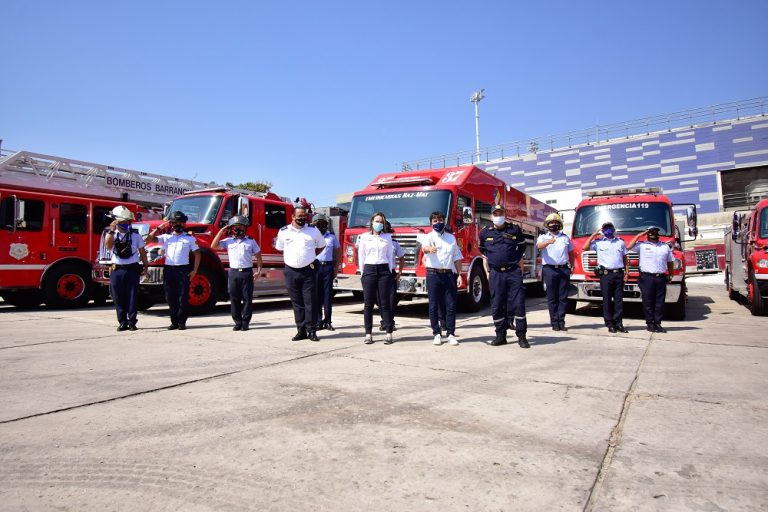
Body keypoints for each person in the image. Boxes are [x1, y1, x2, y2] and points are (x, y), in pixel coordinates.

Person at [479, 204, 529, 348]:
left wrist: (519, 269)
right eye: (496, 214)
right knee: (497, 305)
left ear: (504, 215)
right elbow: (483, 253)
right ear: (491, 217)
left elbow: (522, 248)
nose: (498, 216)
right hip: (496, 274)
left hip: (513, 272)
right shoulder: (484, 233)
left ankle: (522, 336)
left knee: (518, 304)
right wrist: (488, 272)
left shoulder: (514, 229)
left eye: (501, 213)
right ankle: (500, 336)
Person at [275, 206, 326, 341]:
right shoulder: (283, 232)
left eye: (304, 216)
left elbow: (321, 245)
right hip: (291, 271)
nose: (303, 218)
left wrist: (310, 256)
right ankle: (301, 330)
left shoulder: (313, 231)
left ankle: (312, 330)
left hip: (308, 270)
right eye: (300, 216)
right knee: (297, 303)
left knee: (310, 302)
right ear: (293, 216)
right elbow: (280, 248)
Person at [146, 210, 200, 330]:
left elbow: (197, 254)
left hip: (183, 270)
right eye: (175, 222)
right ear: (171, 224)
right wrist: (160, 227)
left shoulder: (189, 239)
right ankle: (173, 321)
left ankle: (181, 322)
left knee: (183, 297)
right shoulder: (166, 237)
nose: (178, 225)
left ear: (184, 224)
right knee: (170, 297)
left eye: (181, 223)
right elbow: (149, 239)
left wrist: (194, 270)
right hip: (169, 270)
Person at [212, 215, 263, 331]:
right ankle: (237, 322)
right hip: (233, 273)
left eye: (241, 227)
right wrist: (221, 231)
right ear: (231, 229)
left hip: (246, 272)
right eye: (235, 227)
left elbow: (259, 257)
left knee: (247, 299)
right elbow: (213, 246)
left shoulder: (251, 241)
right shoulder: (228, 241)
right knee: (234, 298)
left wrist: (258, 271)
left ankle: (245, 322)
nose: (238, 229)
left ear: (245, 228)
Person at [419, 212, 463, 346]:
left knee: (450, 305)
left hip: (449, 274)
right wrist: (429, 249)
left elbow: (456, 257)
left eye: (440, 220)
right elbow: (424, 248)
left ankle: (450, 333)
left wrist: (460, 274)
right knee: (433, 305)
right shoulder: (428, 237)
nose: (437, 222)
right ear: (431, 223)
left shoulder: (451, 238)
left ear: (444, 221)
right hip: (433, 274)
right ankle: (436, 333)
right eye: (434, 220)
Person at [105, 206, 149, 331]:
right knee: (117, 296)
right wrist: (111, 230)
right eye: (121, 223)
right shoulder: (112, 234)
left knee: (132, 296)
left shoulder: (135, 236)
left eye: (126, 223)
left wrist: (146, 266)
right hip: (117, 269)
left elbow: (143, 252)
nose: (124, 225)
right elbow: (108, 246)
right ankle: (122, 321)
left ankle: (132, 322)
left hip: (132, 268)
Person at [583, 221, 629, 333]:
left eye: (610, 227)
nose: (608, 230)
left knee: (618, 300)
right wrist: (594, 235)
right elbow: (585, 247)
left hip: (618, 274)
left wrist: (626, 273)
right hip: (606, 275)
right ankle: (610, 324)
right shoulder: (598, 243)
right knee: (607, 300)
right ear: (603, 230)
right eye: (606, 228)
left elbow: (625, 258)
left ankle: (619, 323)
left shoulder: (620, 242)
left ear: (614, 229)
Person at [357, 212, 396, 345]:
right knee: (368, 304)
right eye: (377, 221)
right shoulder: (364, 237)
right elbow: (361, 256)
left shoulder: (387, 237)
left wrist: (389, 271)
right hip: (369, 269)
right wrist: (363, 273)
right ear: (372, 222)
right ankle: (368, 334)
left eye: (381, 222)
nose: (379, 224)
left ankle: (389, 333)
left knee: (385, 303)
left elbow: (390, 256)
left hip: (384, 270)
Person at [627, 226, 675, 333]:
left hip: (661, 277)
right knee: (648, 302)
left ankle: (658, 323)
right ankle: (650, 323)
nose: (654, 233)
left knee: (660, 302)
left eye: (656, 231)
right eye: (651, 232)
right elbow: (629, 246)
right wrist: (640, 235)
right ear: (647, 234)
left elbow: (670, 261)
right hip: (647, 277)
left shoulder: (665, 246)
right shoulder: (641, 245)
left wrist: (671, 274)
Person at [536, 213, 575, 331]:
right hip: (549, 269)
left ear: (560, 225)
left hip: (563, 269)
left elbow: (571, 253)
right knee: (552, 297)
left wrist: (572, 266)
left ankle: (561, 321)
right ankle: (554, 322)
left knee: (563, 297)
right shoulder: (543, 237)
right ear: (547, 225)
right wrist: (548, 242)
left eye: (556, 223)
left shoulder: (565, 238)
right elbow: (539, 246)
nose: (554, 225)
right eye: (551, 223)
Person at [312, 214, 340, 331]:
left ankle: (328, 321)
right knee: (317, 295)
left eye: (322, 223)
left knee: (328, 296)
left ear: (326, 224)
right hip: (315, 267)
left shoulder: (331, 237)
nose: (320, 225)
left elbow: (337, 252)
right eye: (317, 223)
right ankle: (318, 321)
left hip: (327, 267)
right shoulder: (312, 237)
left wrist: (336, 268)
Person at [380, 220, 404, 332]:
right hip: (379, 273)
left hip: (391, 273)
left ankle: (390, 322)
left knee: (391, 300)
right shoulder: (376, 241)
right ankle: (384, 321)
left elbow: (401, 257)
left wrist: (400, 272)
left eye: (386, 229)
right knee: (380, 299)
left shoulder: (394, 243)